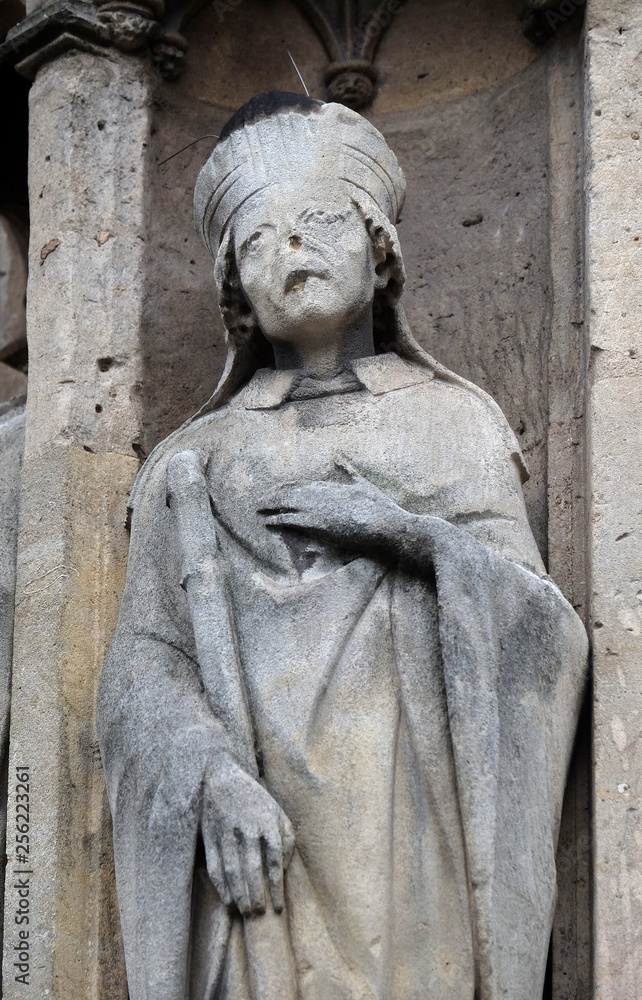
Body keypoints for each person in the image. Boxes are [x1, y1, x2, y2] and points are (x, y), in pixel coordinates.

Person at [97, 91, 588, 1000]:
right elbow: (141, 674)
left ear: (378, 247)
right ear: (232, 291)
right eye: (257, 241)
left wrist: (406, 536)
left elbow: (543, 637)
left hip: (413, 846)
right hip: (260, 859)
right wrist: (210, 777)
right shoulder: (192, 464)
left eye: (319, 221)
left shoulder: (452, 425)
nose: (291, 254)